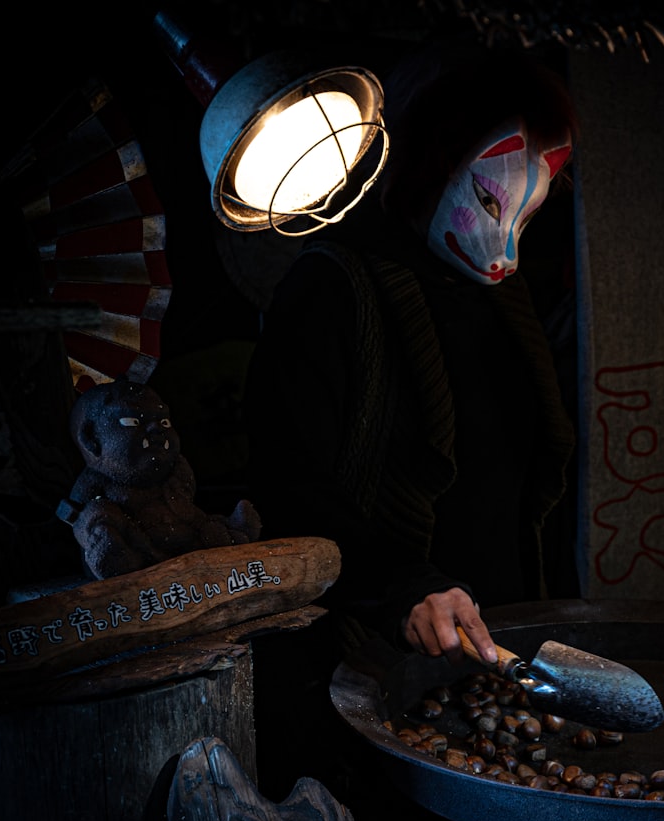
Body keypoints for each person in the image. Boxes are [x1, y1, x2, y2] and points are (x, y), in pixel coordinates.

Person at [243, 40, 580, 673]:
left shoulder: (509, 302)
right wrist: (402, 588)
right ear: (431, 163)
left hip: (501, 648)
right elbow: (288, 492)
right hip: (373, 659)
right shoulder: (330, 290)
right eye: (489, 202)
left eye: (527, 217)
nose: (506, 250)